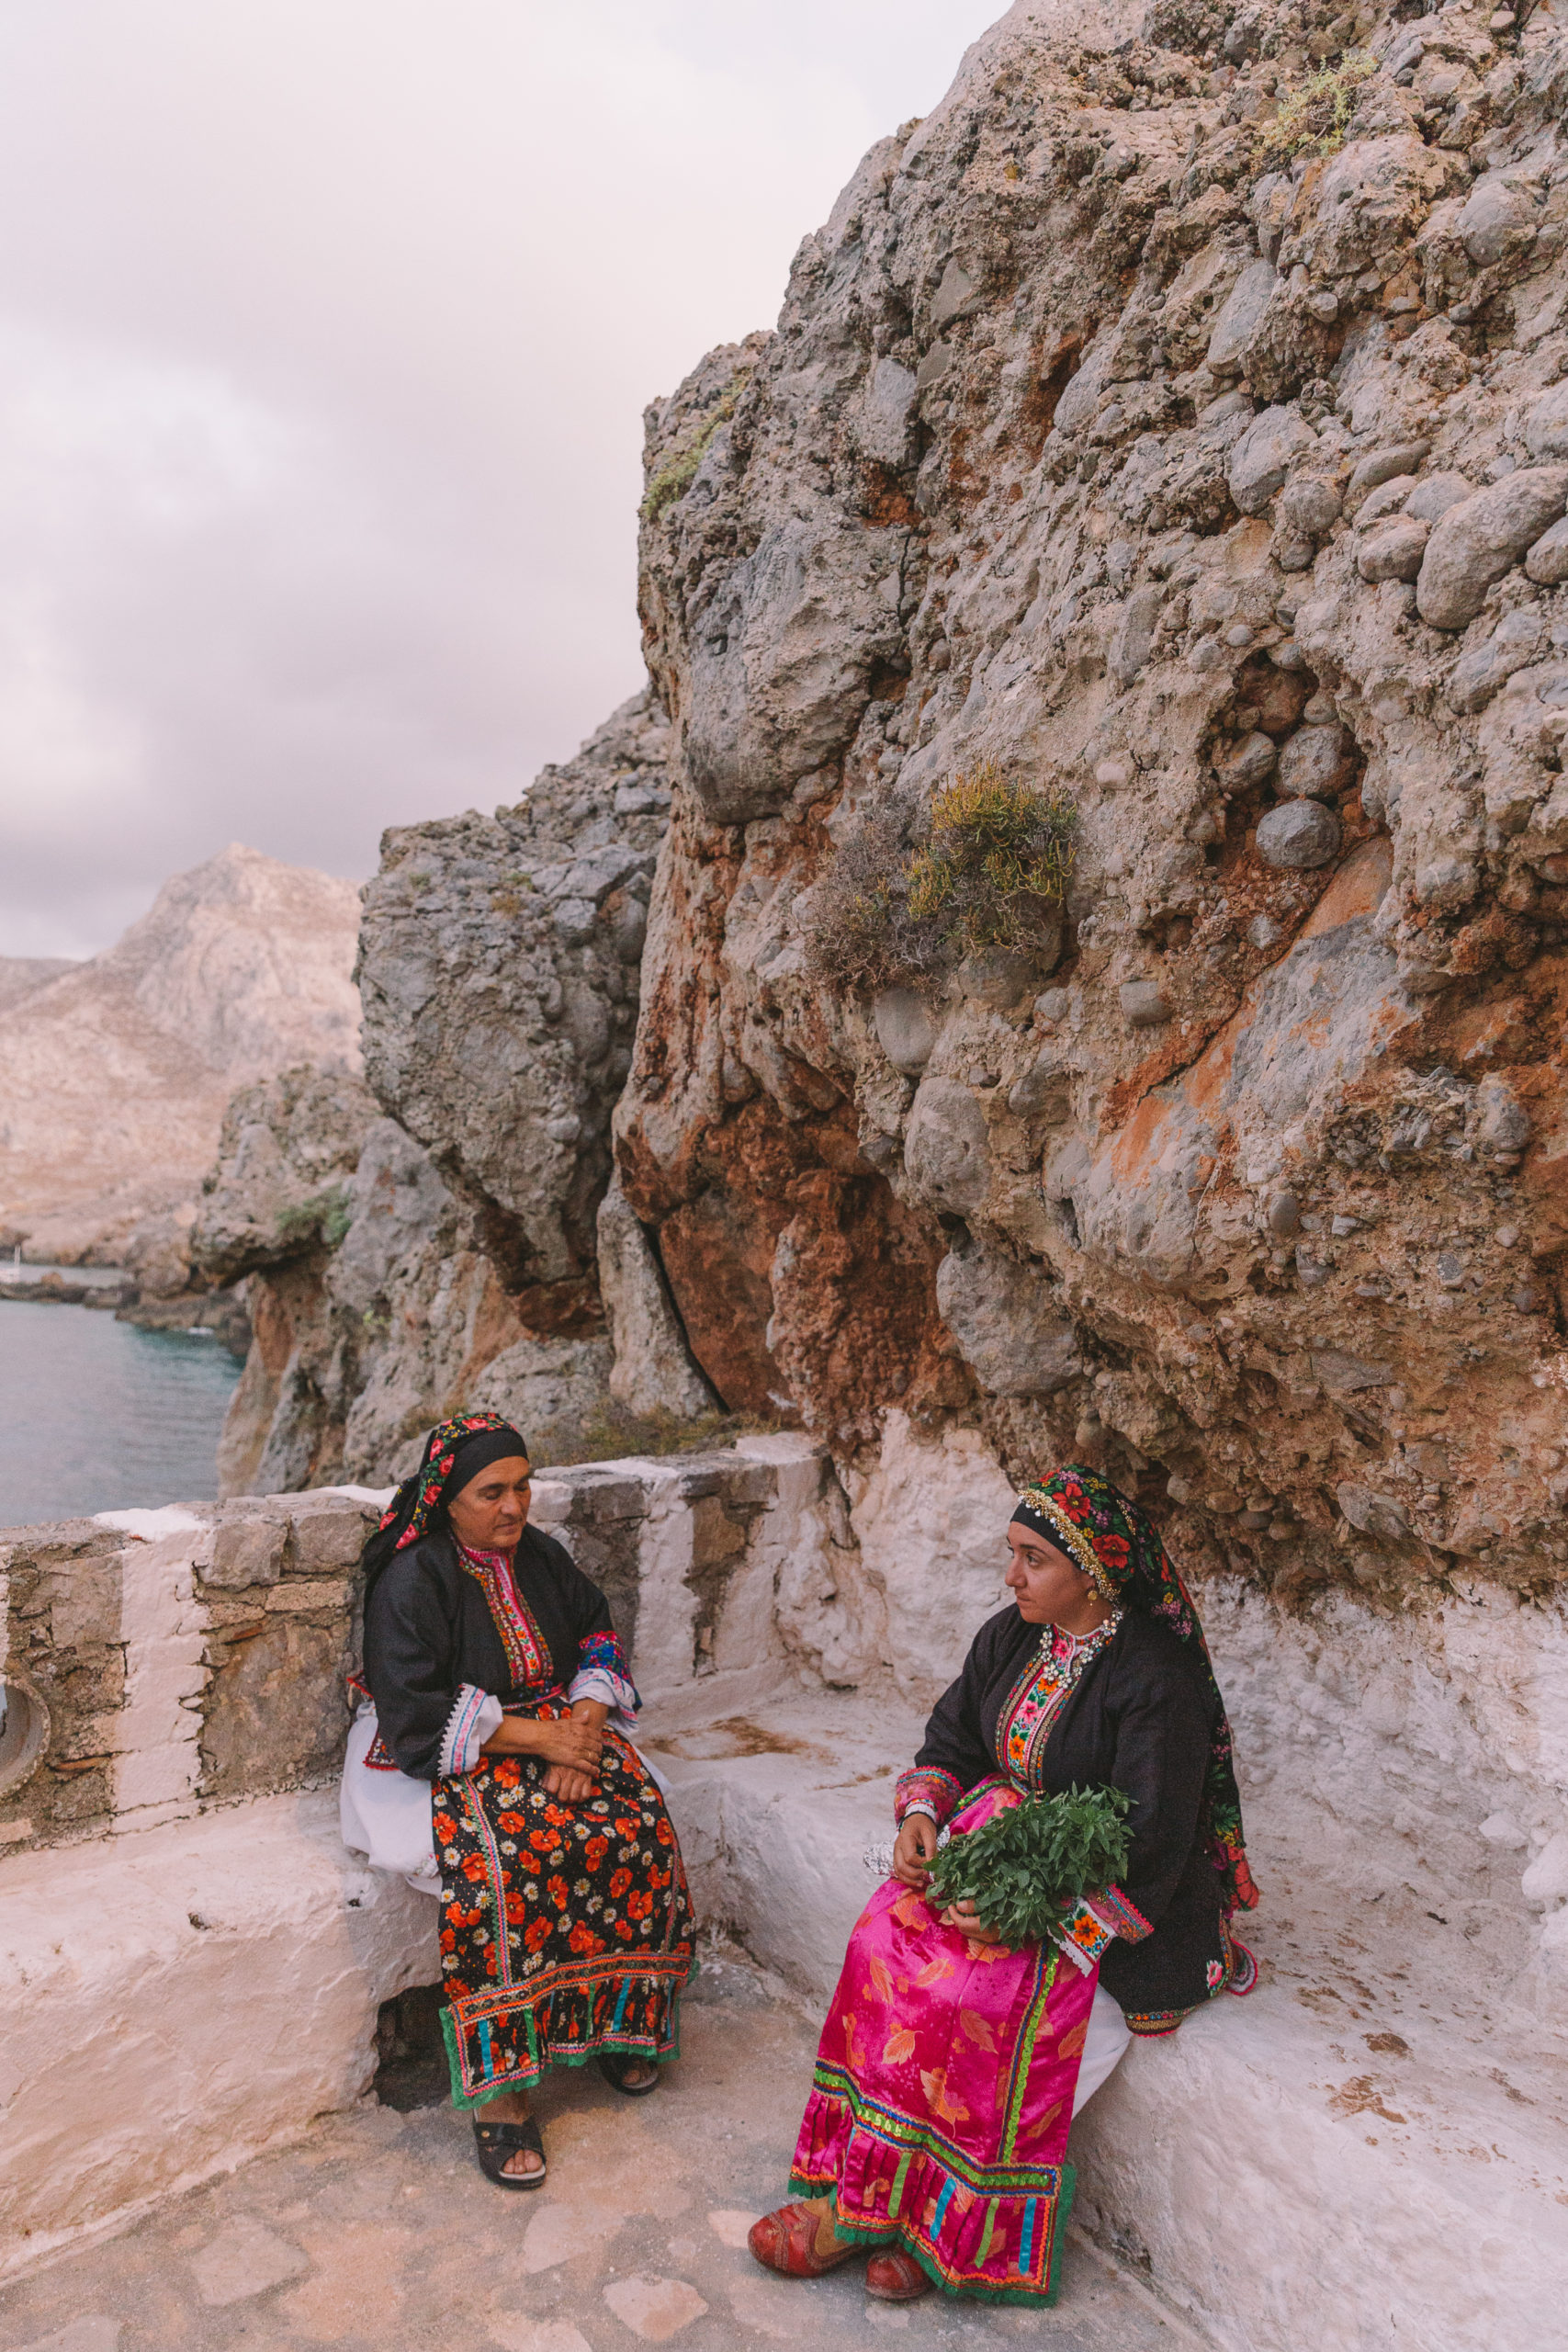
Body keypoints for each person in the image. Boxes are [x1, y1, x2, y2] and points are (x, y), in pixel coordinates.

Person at [748, 1463, 1258, 2305]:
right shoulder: (1011, 1634)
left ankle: (932, 2226)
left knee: (980, 2003)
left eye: (1032, 1560)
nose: (1011, 1576)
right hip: (995, 1847)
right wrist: (923, 1814)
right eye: (1011, 1554)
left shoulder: (1153, 1679)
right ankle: (880, 2198)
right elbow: (952, 1737)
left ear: (1091, 1573)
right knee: (883, 1945)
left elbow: (1152, 1837)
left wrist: (1032, 1909)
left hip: (1118, 1889)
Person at [340, 1412, 696, 2188]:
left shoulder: (537, 1555)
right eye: (491, 1492)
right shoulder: (413, 1579)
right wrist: (543, 1743)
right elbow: (411, 1710)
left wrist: (586, 1727)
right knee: (511, 1863)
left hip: (556, 1729)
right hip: (453, 1749)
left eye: (523, 1485)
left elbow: (597, 1633)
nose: (514, 1505)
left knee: (635, 1828)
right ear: (448, 1501)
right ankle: (501, 2095)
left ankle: (614, 2024)